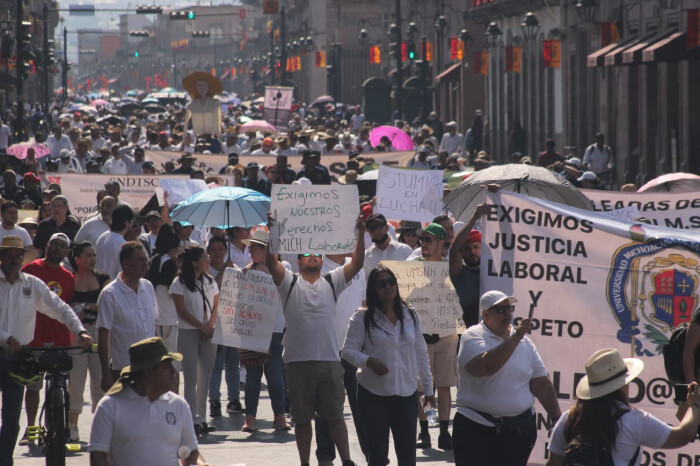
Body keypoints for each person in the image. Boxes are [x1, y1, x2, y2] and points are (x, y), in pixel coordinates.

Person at [266, 213, 365, 466]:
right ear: (298, 262)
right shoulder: (289, 283)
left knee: (334, 417)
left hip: (330, 361)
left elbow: (357, 263)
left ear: (322, 261)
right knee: (301, 419)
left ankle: (346, 460)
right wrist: (273, 232)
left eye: (317, 254)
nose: (313, 256)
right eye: (308, 254)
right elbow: (271, 262)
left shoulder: (333, 281)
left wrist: (360, 234)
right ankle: (305, 463)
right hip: (298, 362)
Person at [0, 235, 92, 465]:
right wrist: (6, 337)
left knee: (11, 419)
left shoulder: (32, 284)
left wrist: (80, 331)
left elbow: (60, 308)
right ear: (1, 258)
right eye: (10, 255)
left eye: (18, 256)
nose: (15, 259)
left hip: (18, 357)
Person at [453, 290, 561, 466]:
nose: (507, 313)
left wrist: (557, 418)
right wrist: (516, 337)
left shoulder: (525, 343)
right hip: (476, 430)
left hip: (518, 432)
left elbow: (540, 383)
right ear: (485, 314)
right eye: (500, 309)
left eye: (509, 308)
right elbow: (484, 367)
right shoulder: (473, 336)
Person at [342, 266, 434, 466]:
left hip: (406, 394)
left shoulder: (410, 314)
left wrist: (428, 388)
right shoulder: (362, 317)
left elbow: (421, 353)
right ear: (372, 289)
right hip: (373, 394)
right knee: (377, 455)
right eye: (381, 284)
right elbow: (347, 351)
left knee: (408, 456)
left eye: (391, 281)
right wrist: (368, 361)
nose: (388, 287)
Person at [547, 349, 700, 466]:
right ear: (622, 386)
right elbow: (682, 435)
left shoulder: (569, 418)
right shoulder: (633, 420)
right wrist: (694, 405)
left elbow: (553, 463)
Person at [89, 337, 209, 466]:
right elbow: (98, 458)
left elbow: (191, 452)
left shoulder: (179, 405)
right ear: (149, 373)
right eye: (166, 366)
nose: (174, 372)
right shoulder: (109, 407)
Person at [240, 230, 290, 432]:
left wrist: (267, 269)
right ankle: (250, 417)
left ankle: (279, 415)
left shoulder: (283, 267)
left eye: (254, 247)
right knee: (252, 374)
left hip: (276, 329)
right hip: (253, 330)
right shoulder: (246, 272)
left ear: (266, 249)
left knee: (275, 374)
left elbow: (285, 289)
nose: (250, 251)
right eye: (249, 247)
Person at [412, 223, 456, 450]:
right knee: (422, 387)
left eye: (429, 240)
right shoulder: (412, 268)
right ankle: (425, 430)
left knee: (445, 385)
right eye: (423, 240)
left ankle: (444, 432)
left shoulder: (451, 269)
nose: (424, 244)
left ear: (441, 243)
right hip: (421, 336)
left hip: (447, 335)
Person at [170, 245, 219, 436]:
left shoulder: (210, 281)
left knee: (204, 378)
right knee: (191, 378)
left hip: (208, 333)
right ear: (194, 262)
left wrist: (210, 327)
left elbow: (216, 305)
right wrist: (202, 327)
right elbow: (182, 311)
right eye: (205, 258)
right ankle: (192, 419)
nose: (208, 261)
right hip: (188, 332)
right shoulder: (179, 283)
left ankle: (202, 418)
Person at [97, 242, 157, 393]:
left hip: (150, 368)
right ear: (126, 263)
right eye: (140, 260)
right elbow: (103, 337)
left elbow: (152, 327)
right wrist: (105, 373)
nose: (145, 264)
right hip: (124, 369)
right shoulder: (110, 294)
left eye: (145, 259)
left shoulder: (148, 287)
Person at [67, 241, 110, 442]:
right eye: (88, 255)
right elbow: (66, 304)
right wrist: (81, 308)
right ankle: (72, 425)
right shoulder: (69, 280)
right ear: (77, 259)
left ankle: (101, 426)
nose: (93, 258)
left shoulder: (103, 279)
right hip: (76, 333)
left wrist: (84, 306)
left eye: (94, 255)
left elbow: (107, 304)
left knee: (100, 380)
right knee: (76, 380)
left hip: (98, 332)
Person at [206, 236, 244, 417]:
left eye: (220, 249)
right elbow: (215, 288)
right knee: (216, 365)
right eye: (213, 249)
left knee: (233, 364)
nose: (217, 253)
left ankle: (234, 399)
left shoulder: (234, 268)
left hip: (232, 321)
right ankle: (214, 400)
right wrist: (224, 271)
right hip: (216, 322)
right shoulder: (207, 271)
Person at [148, 224, 181, 389]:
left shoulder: (153, 260)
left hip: (155, 318)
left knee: (156, 363)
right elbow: (172, 290)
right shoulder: (169, 264)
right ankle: (173, 397)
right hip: (168, 319)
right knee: (173, 364)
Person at [449, 203, 489, 327]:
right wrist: (475, 217)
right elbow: (454, 250)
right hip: (470, 327)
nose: (472, 252)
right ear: (461, 253)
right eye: (467, 248)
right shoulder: (461, 274)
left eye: (476, 247)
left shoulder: (493, 271)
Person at [363, 213, 412, 278]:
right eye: (372, 229)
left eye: (379, 226)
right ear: (369, 232)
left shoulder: (405, 250)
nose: (376, 231)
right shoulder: (365, 257)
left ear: (387, 227)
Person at [95, 205, 135, 280]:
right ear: (127, 222)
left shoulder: (102, 237)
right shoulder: (122, 244)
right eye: (132, 220)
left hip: (99, 284)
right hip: (112, 287)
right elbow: (123, 274)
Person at [183, 71, 223, 138]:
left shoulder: (215, 103)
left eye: (204, 85)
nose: (201, 88)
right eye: (199, 85)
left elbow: (218, 122)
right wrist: (184, 140)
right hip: (198, 138)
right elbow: (186, 124)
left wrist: (219, 139)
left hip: (212, 138)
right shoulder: (191, 105)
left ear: (209, 87)